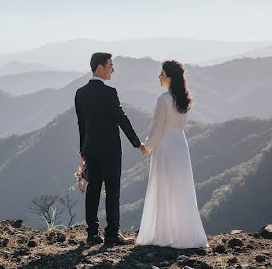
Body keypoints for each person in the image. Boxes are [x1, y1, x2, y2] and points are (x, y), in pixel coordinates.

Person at [74, 52, 147, 246]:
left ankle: (91, 234)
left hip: (90, 149)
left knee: (93, 190)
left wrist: (83, 149)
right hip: (111, 150)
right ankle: (112, 234)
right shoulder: (109, 92)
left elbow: (82, 125)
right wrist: (137, 143)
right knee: (113, 190)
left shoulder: (80, 93)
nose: (113, 69)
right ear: (100, 67)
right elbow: (121, 119)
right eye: (110, 66)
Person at [135, 60, 208, 249]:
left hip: (166, 146)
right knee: (181, 187)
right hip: (180, 145)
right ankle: (185, 234)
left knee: (163, 186)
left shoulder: (164, 99)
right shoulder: (184, 99)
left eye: (161, 73)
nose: (159, 77)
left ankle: (162, 234)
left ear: (169, 76)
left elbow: (157, 129)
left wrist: (146, 147)